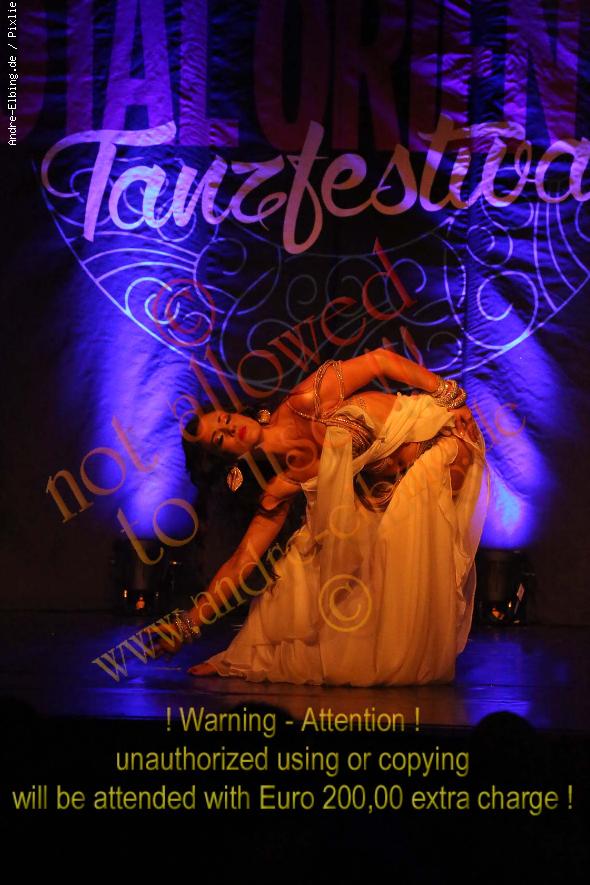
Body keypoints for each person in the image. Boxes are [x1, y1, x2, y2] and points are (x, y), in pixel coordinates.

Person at [153, 348, 489, 686]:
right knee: (304, 559)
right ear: (228, 462)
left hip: (444, 436)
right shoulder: (280, 485)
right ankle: (248, 655)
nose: (231, 429)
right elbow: (243, 561)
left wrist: (450, 396)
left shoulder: (304, 401)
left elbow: (379, 360)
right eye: (219, 439)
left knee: (371, 538)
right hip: (397, 489)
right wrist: (188, 624)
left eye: (225, 419)